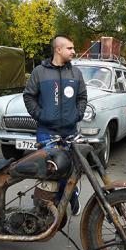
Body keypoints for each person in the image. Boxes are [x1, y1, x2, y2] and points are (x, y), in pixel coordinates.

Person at [23, 35, 87, 215]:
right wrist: (40, 114)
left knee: (71, 169)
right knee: (51, 170)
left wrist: (78, 114)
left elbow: (82, 97)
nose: (73, 51)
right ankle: (48, 205)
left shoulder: (76, 73)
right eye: (70, 48)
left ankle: (71, 194)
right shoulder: (39, 72)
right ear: (58, 49)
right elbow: (29, 96)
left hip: (70, 130)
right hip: (46, 131)